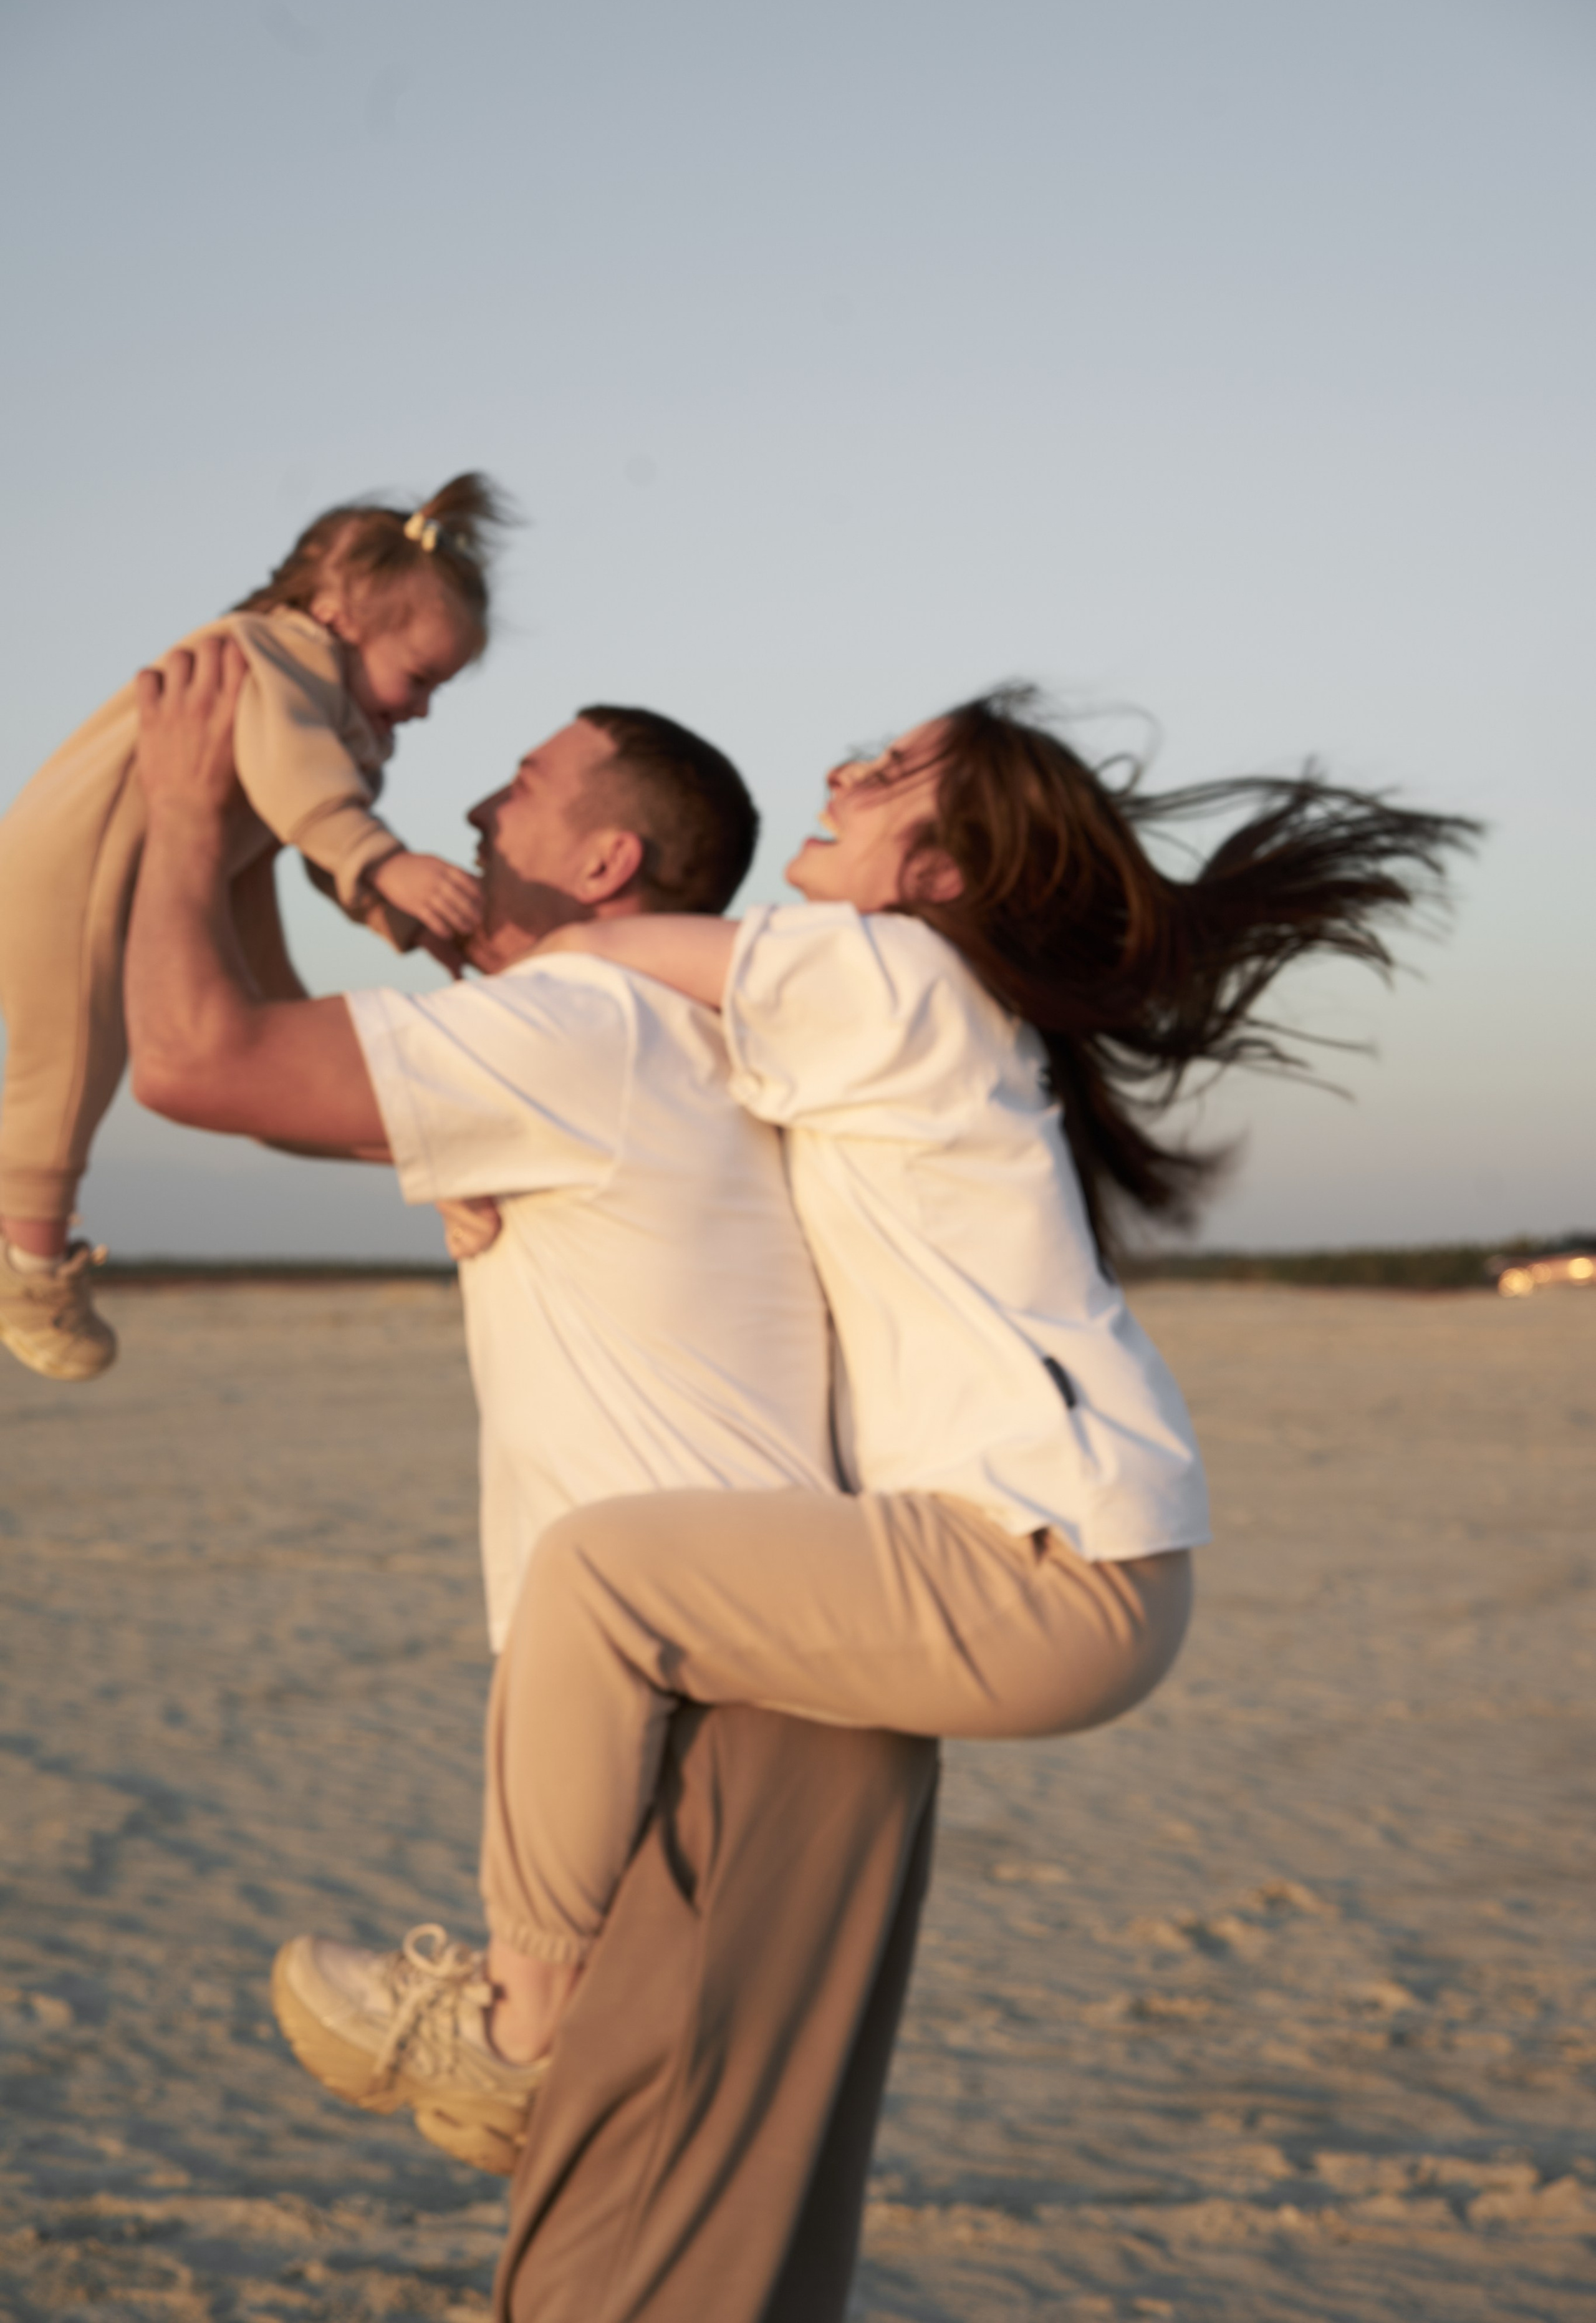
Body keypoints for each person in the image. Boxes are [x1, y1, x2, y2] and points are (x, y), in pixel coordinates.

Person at [378, 686, 1479, 2084]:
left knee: (593, 1577)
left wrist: (377, 870)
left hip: (1042, 1567)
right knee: (617, 1587)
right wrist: (471, 1161)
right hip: (1079, 1563)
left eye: (888, 772)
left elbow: (588, 956)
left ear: (934, 875)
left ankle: (516, 2033)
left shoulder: (877, 970)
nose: (839, 771)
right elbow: (663, 1095)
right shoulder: (893, 1014)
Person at [124, 639, 938, 2323]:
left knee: (619, 2273)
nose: (476, 805)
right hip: (756, 1702)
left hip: (734, 1719)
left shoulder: (593, 1028)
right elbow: (280, 1066)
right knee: (680, 2264)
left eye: (522, 788)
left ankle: (518, 2020)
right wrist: (267, 840)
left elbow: (197, 1062)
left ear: (607, 865)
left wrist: (189, 813)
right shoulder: (613, 1038)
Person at [0, 472, 509, 1382]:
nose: (424, 706)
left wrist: (393, 910)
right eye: (421, 676)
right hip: (79, 863)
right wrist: (385, 860)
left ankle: (438, 1151)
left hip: (214, 858)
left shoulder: (329, 711)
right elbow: (301, 782)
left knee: (282, 1038)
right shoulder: (265, 653)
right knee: (72, 1056)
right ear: (338, 610)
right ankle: (28, 1263)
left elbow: (309, 824)